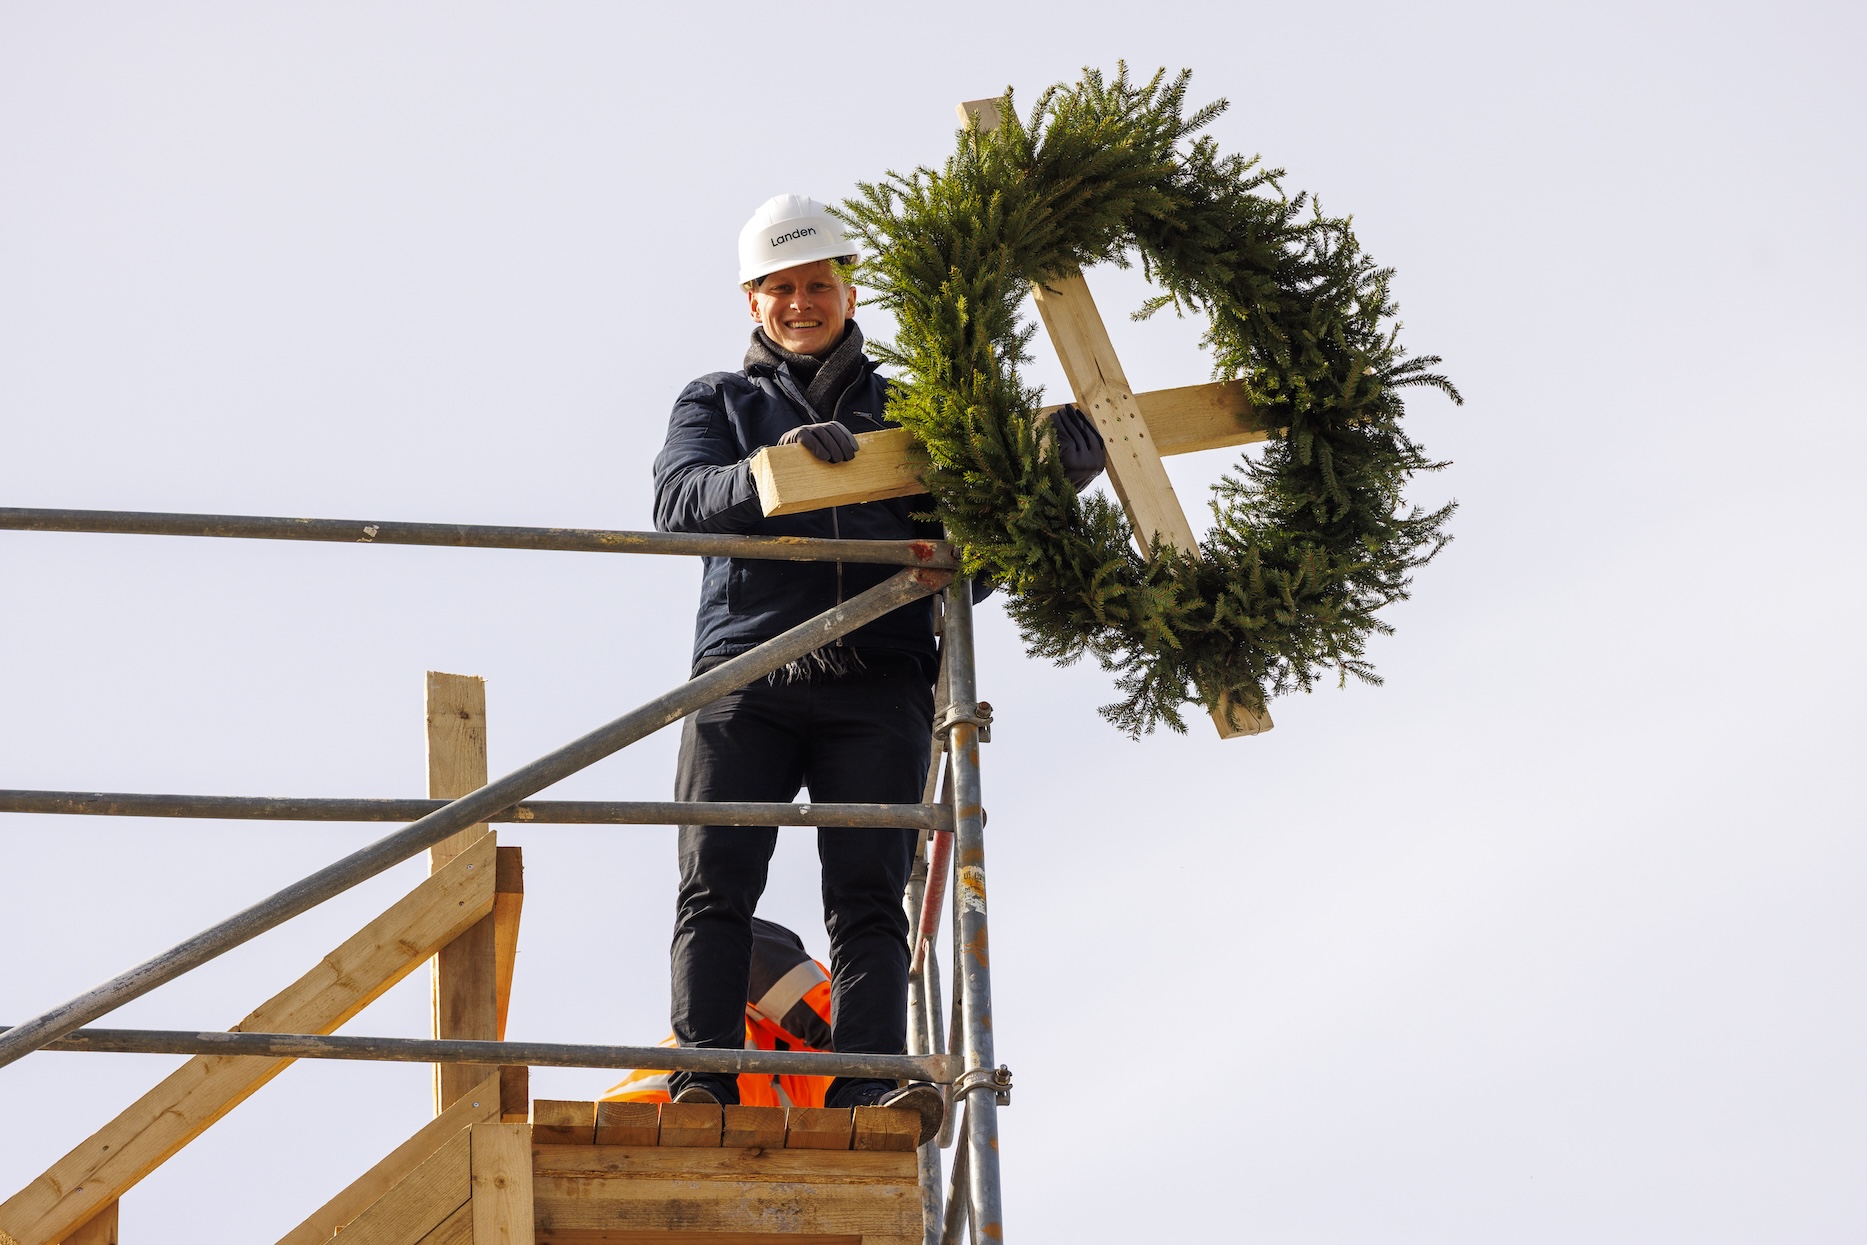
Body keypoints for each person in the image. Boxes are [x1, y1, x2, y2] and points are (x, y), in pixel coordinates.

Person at [651, 193, 1104, 1145]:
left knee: (868, 892)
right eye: (780, 288)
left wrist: (1042, 492)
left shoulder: (916, 407)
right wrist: (775, 468)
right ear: (752, 302)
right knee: (716, 879)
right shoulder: (717, 400)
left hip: (880, 674)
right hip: (751, 667)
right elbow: (681, 505)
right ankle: (705, 1081)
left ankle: (864, 1090)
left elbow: (958, 569)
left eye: (817, 284)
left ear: (849, 291)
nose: (800, 303)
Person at [602, 918, 837, 1108]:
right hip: (641, 1120)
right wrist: (863, 1041)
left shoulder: (822, 1074)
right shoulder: (768, 958)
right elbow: (744, 945)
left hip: (714, 1145)